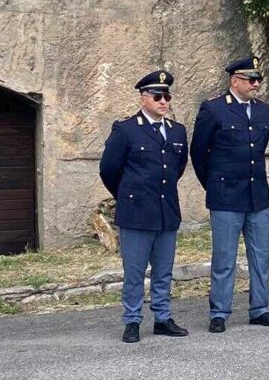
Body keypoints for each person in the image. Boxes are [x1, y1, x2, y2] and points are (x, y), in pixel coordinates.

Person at [190, 56, 269, 333]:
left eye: (258, 80)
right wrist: (215, 185)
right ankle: (219, 312)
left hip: (256, 195)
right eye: (251, 80)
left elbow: (258, 150)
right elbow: (198, 153)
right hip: (226, 197)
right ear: (235, 81)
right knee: (224, 258)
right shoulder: (214, 109)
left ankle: (260, 308)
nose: (256, 84)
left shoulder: (263, 110)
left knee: (260, 255)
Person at [100, 70, 190, 344]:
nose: (164, 102)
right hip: (137, 213)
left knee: (163, 270)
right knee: (135, 272)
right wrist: (128, 195)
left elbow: (178, 168)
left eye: (167, 97)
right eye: (158, 96)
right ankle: (132, 320)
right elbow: (109, 169)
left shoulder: (177, 131)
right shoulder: (126, 129)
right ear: (143, 98)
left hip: (166, 211)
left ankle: (162, 318)